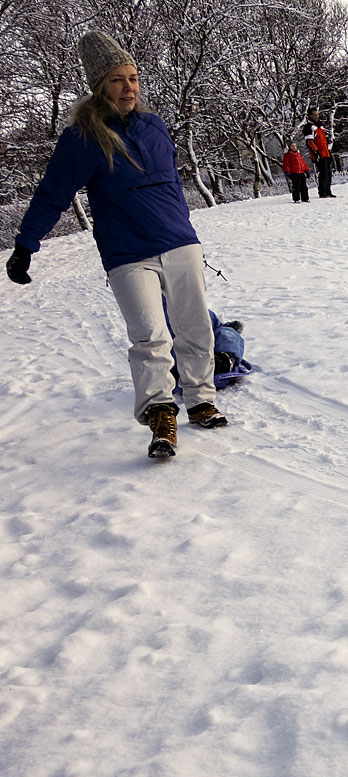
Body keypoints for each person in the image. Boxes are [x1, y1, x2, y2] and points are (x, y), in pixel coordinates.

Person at [6, 30, 227, 458]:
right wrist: (25, 244)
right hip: (128, 253)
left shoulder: (154, 125)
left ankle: (201, 400)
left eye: (134, 78)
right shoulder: (83, 138)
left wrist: (185, 228)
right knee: (149, 335)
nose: (129, 87)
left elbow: (171, 185)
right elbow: (53, 193)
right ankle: (161, 415)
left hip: (179, 242)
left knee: (195, 326)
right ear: (99, 86)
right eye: (117, 79)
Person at [303, 108, 335, 198]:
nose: (316, 116)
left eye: (317, 114)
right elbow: (310, 142)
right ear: (310, 115)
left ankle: (328, 191)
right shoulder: (308, 127)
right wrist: (316, 153)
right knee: (323, 172)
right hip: (319, 154)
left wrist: (329, 149)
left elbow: (325, 139)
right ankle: (322, 191)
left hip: (326, 152)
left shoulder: (320, 126)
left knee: (328, 172)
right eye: (314, 115)